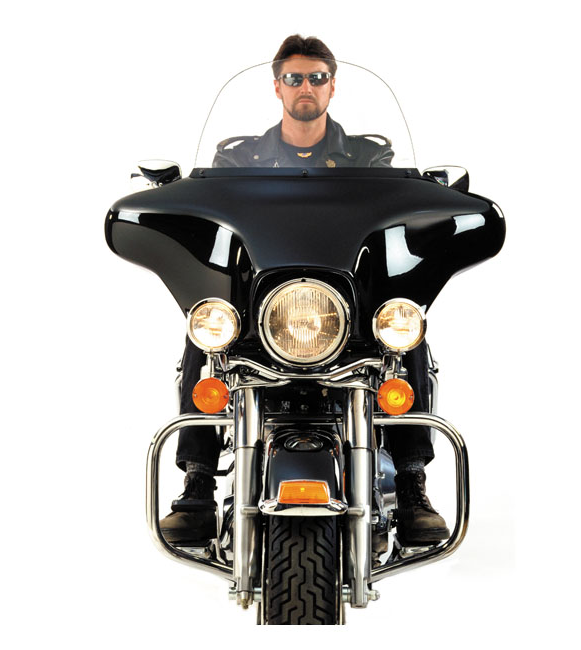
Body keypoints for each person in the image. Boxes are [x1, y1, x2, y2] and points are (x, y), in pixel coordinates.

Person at [160, 34, 450, 547]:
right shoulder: (237, 159)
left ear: (333, 86)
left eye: (317, 77)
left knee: (406, 330)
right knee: (202, 333)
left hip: (346, 306)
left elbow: (394, 216)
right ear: (277, 86)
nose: (306, 87)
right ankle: (197, 486)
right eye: (294, 78)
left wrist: (432, 195)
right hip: (261, 307)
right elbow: (210, 216)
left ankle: (411, 484)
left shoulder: (368, 157)